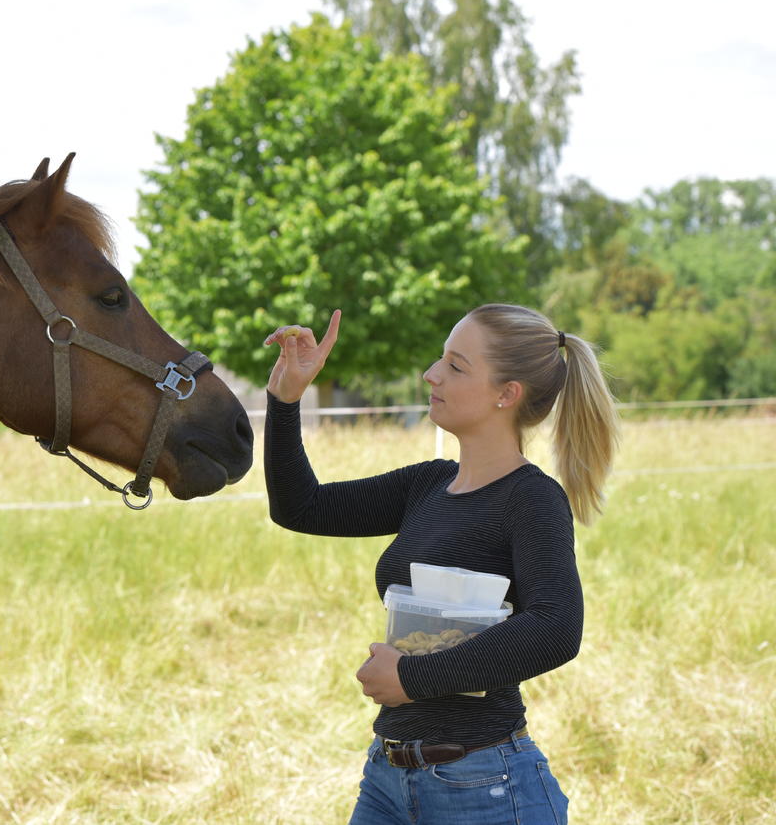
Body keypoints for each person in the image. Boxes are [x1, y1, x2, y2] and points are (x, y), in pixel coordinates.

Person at [263, 303, 619, 825]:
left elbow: (556, 628)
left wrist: (412, 677)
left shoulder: (532, 500)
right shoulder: (427, 483)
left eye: (456, 366)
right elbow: (301, 507)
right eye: (440, 360)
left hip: (486, 789)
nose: (432, 373)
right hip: (387, 779)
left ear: (507, 394)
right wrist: (285, 399)